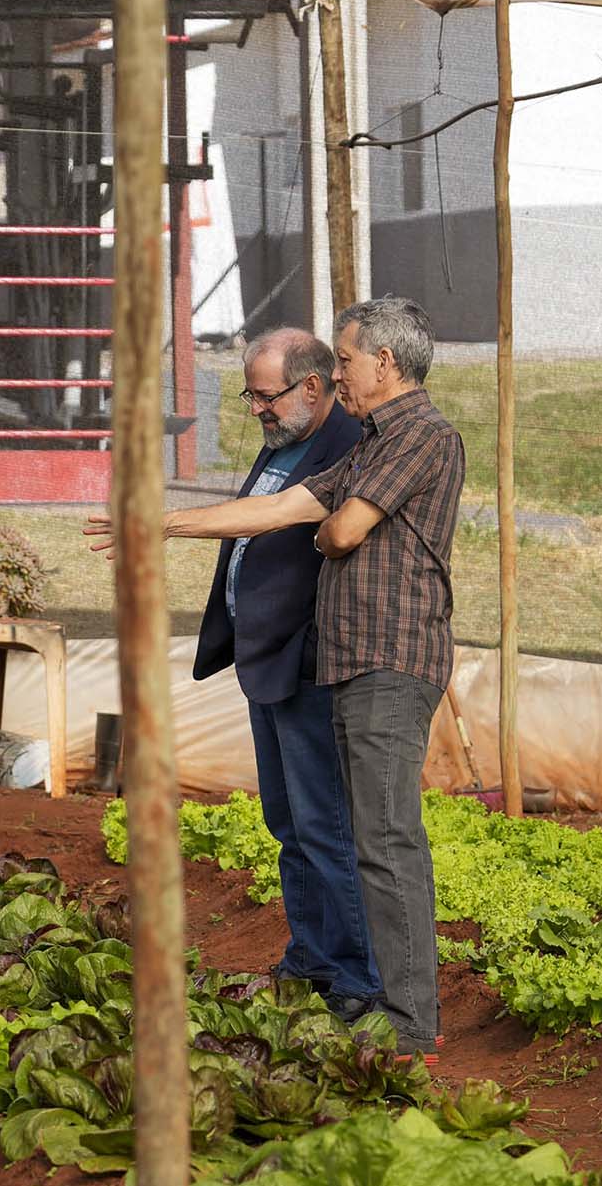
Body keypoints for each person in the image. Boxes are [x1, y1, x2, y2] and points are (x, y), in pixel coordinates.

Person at [91, 295, 461, 1059]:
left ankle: (402, 1014)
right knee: (354, 834)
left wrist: (328, 532)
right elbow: (279, 509)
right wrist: (154, 522)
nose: (341, 372)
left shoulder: (422, 434)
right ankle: (366, 992)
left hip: (391, 660)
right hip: (352, 661)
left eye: (349, 361)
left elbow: (342, 527)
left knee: (383, 838)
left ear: (384, 364)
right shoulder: (373, 443)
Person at [186, 327, 381, 1019]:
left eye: (264, 396)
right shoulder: (286, 444)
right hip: (265, 661)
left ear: (312, 386)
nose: (255, 410)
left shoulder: (345, 447)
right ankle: (310, 959)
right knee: (289, 823)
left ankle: (359, 979)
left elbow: (302, 530)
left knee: (325, 824)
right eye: (250, 394)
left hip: (307, 665)